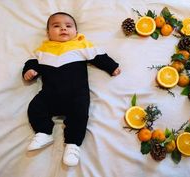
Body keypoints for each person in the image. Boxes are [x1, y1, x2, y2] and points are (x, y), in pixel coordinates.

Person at [22, 12, 121, 166]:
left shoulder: (80, 45)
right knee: (35, 107)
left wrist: (112, 67)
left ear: (76, 31)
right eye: (56, 26)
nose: (63, 29)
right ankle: (43, 132)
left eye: (68, 26)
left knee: (80, 116)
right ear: (48, 33)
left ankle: (73, 145)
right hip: (50, 94)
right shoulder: (43, 50)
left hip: (76, 94)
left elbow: (98, 56)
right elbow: (32, 63)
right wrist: (29, 71)